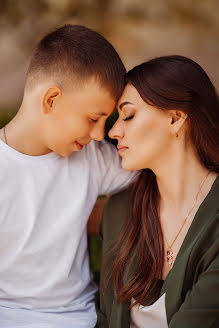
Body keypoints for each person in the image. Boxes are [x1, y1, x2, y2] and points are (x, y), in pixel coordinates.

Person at [0, 25, 136, 328]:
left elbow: (157, 175)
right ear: (51, 100)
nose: (101, 134)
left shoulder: (91, 158)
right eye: (93, 118)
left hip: (81, 318)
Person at [97, 55, 219, 328]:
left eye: (128, 115)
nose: (114, 131)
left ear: (175, 119)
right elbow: (105, 319)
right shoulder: (119, 210)